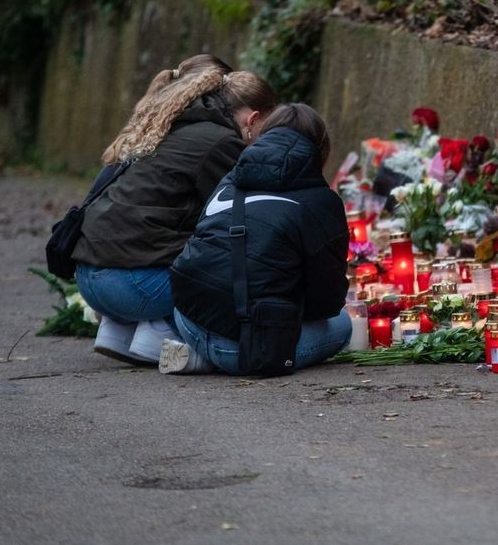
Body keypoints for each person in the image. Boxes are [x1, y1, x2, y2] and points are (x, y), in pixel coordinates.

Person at [74, 55, 279, 364]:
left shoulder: (166, 126)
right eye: (268, 129)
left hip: (89, 278)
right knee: (236, 263)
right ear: (253, 120)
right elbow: (244, 221)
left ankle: (119, 330)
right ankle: (161, 330)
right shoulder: (221, 143)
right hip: (132, 286)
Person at [164, 103, 351, 375]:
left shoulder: (231, 179)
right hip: (255, 347)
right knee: (343, 325)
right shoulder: (322, 202)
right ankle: (223, 358)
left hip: (189, 320)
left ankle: (203, 354)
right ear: (322, 149)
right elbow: (326, 302)